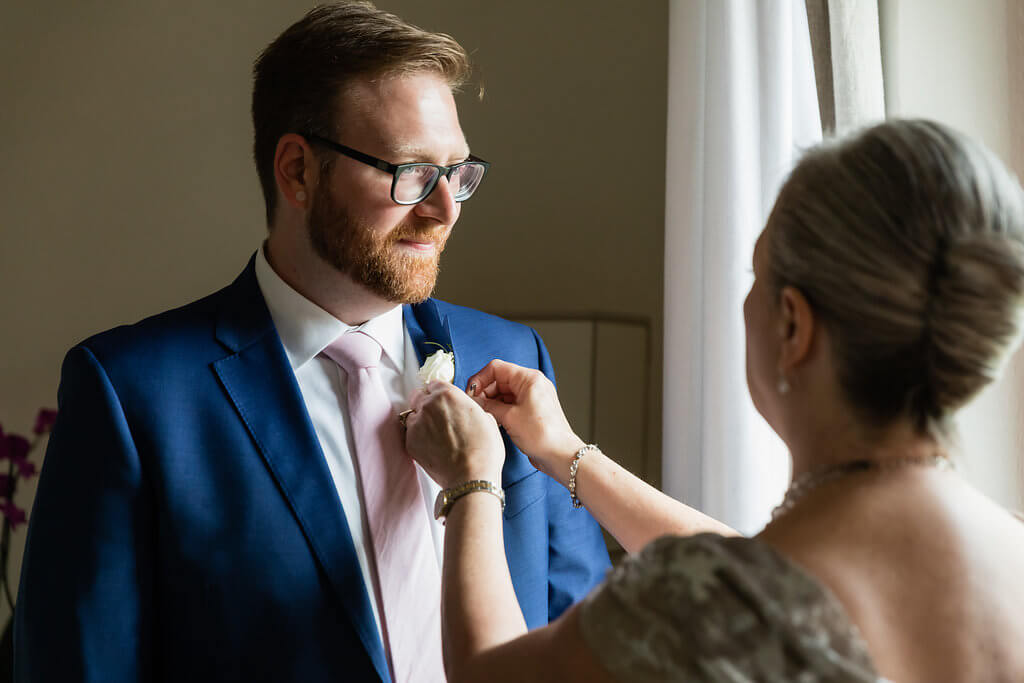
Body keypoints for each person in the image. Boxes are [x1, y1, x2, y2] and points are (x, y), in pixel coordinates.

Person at [14, 3, 609, 681]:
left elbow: (583, 636)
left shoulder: (513, 355)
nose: (445, 208)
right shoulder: (132, 395)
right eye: (411, 171)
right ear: (296, 170)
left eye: (458, 171)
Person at [404, 119, 1024, 682]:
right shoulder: (1004, 555)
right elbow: (764, 575)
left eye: (758, 276)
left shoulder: (724, 602)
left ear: (793, 325)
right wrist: (568, 453)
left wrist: (472, 481)